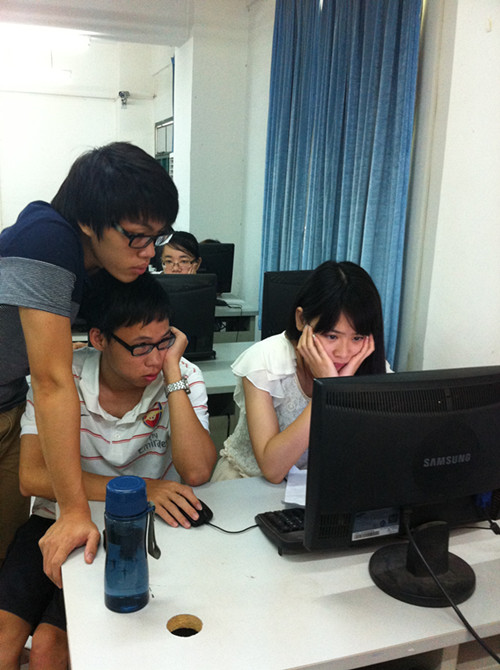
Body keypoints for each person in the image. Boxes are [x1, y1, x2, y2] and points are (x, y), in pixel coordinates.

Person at [0, 271, 216, 669]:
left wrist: (173, 374)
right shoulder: (63, 377)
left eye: (164, 342)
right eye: (141, 347)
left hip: (136, 531)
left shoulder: (181, 376)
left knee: (49, 649)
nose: (155, 358)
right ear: (99, 339)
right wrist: (142, 488)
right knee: (3, 643)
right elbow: (31, 476)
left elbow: (198, 470)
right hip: (58, 518)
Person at [0, 141, 178, 585]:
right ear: (86, 221)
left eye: (157, 237)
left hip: (8, 402)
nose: (150, 252)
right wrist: (75, 511)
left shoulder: (95, 264)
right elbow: (52, 381)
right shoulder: (45, 239)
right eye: (137, 236)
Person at [211, 260, 391, 484]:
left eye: (357, 337)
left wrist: (345, 387)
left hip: (318, 485)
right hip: (247, 482)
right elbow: (272, 469)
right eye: (331, 336)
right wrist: (328, 390)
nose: (344, 353)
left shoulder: (367, 363)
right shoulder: (263, 362)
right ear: (301, 319)